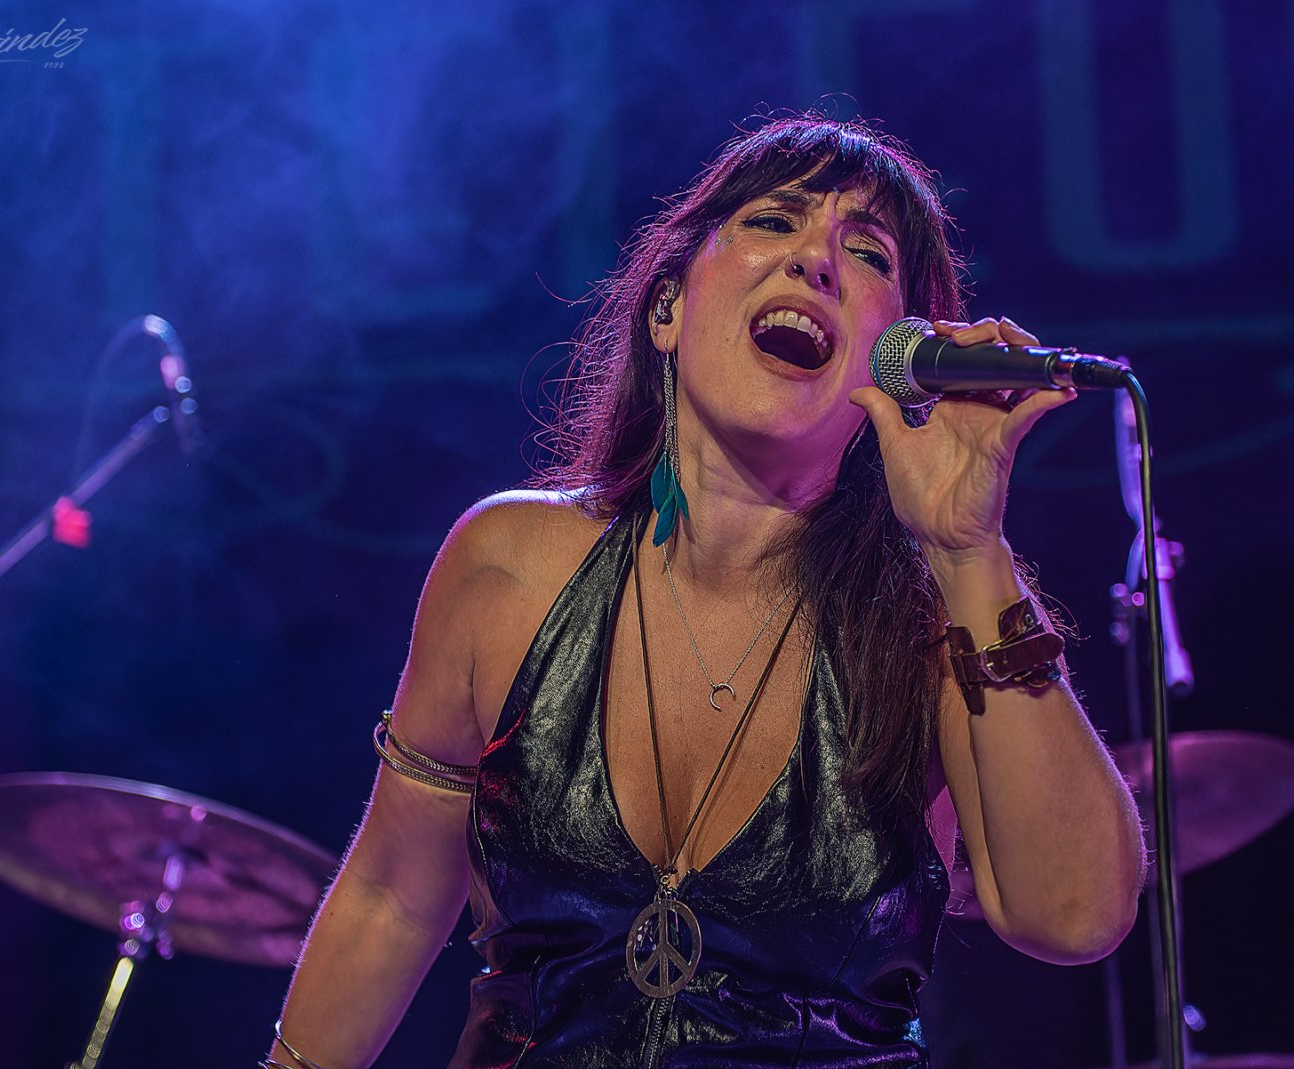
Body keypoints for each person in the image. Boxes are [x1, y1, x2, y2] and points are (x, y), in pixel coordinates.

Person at [266, 115, 1145, 1069]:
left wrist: (970, 550)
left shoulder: (932, 622)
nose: (815, 260)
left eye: (866, 255)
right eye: (772, 221)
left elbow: (1075, 913)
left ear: (897, 366)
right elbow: (392, 896)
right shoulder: (507, 565)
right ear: (668, 310)